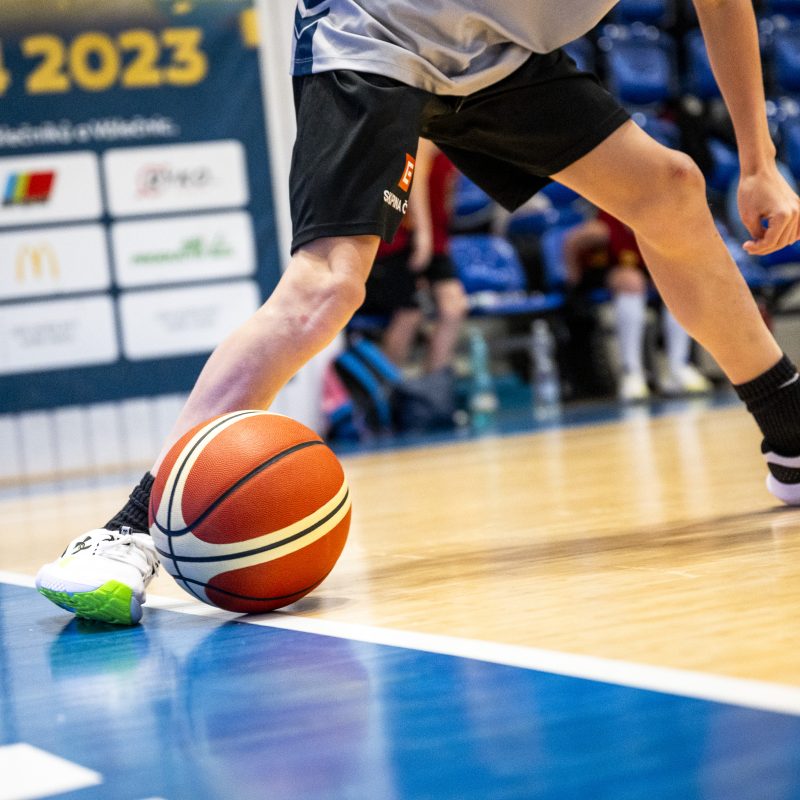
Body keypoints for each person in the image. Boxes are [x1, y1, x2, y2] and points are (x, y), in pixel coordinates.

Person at [37, 0, 800, 624]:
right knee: (329, 284)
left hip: (497, 55)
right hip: (380, 27)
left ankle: (790, 433)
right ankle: (127, 531)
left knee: (669, 188)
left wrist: (759, 163)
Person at [563, 208, 712, 401]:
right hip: (608, 271)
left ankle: (679, 366)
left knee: (678, 282)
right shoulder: (604, 226)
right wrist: (573, 284)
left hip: (646, 267)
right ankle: (631, 371)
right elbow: (571, 242)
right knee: (630, 280)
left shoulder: (660, 218)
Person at [360, 138, 468, 375]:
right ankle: (386, 390)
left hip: (435, 240)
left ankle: (433, 386)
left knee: (454, 307)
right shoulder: (422, 138)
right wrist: (423, 233)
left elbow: (446, 199)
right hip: (405, 240)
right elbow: (413, 181)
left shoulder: (456, 142)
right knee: (409, 313)